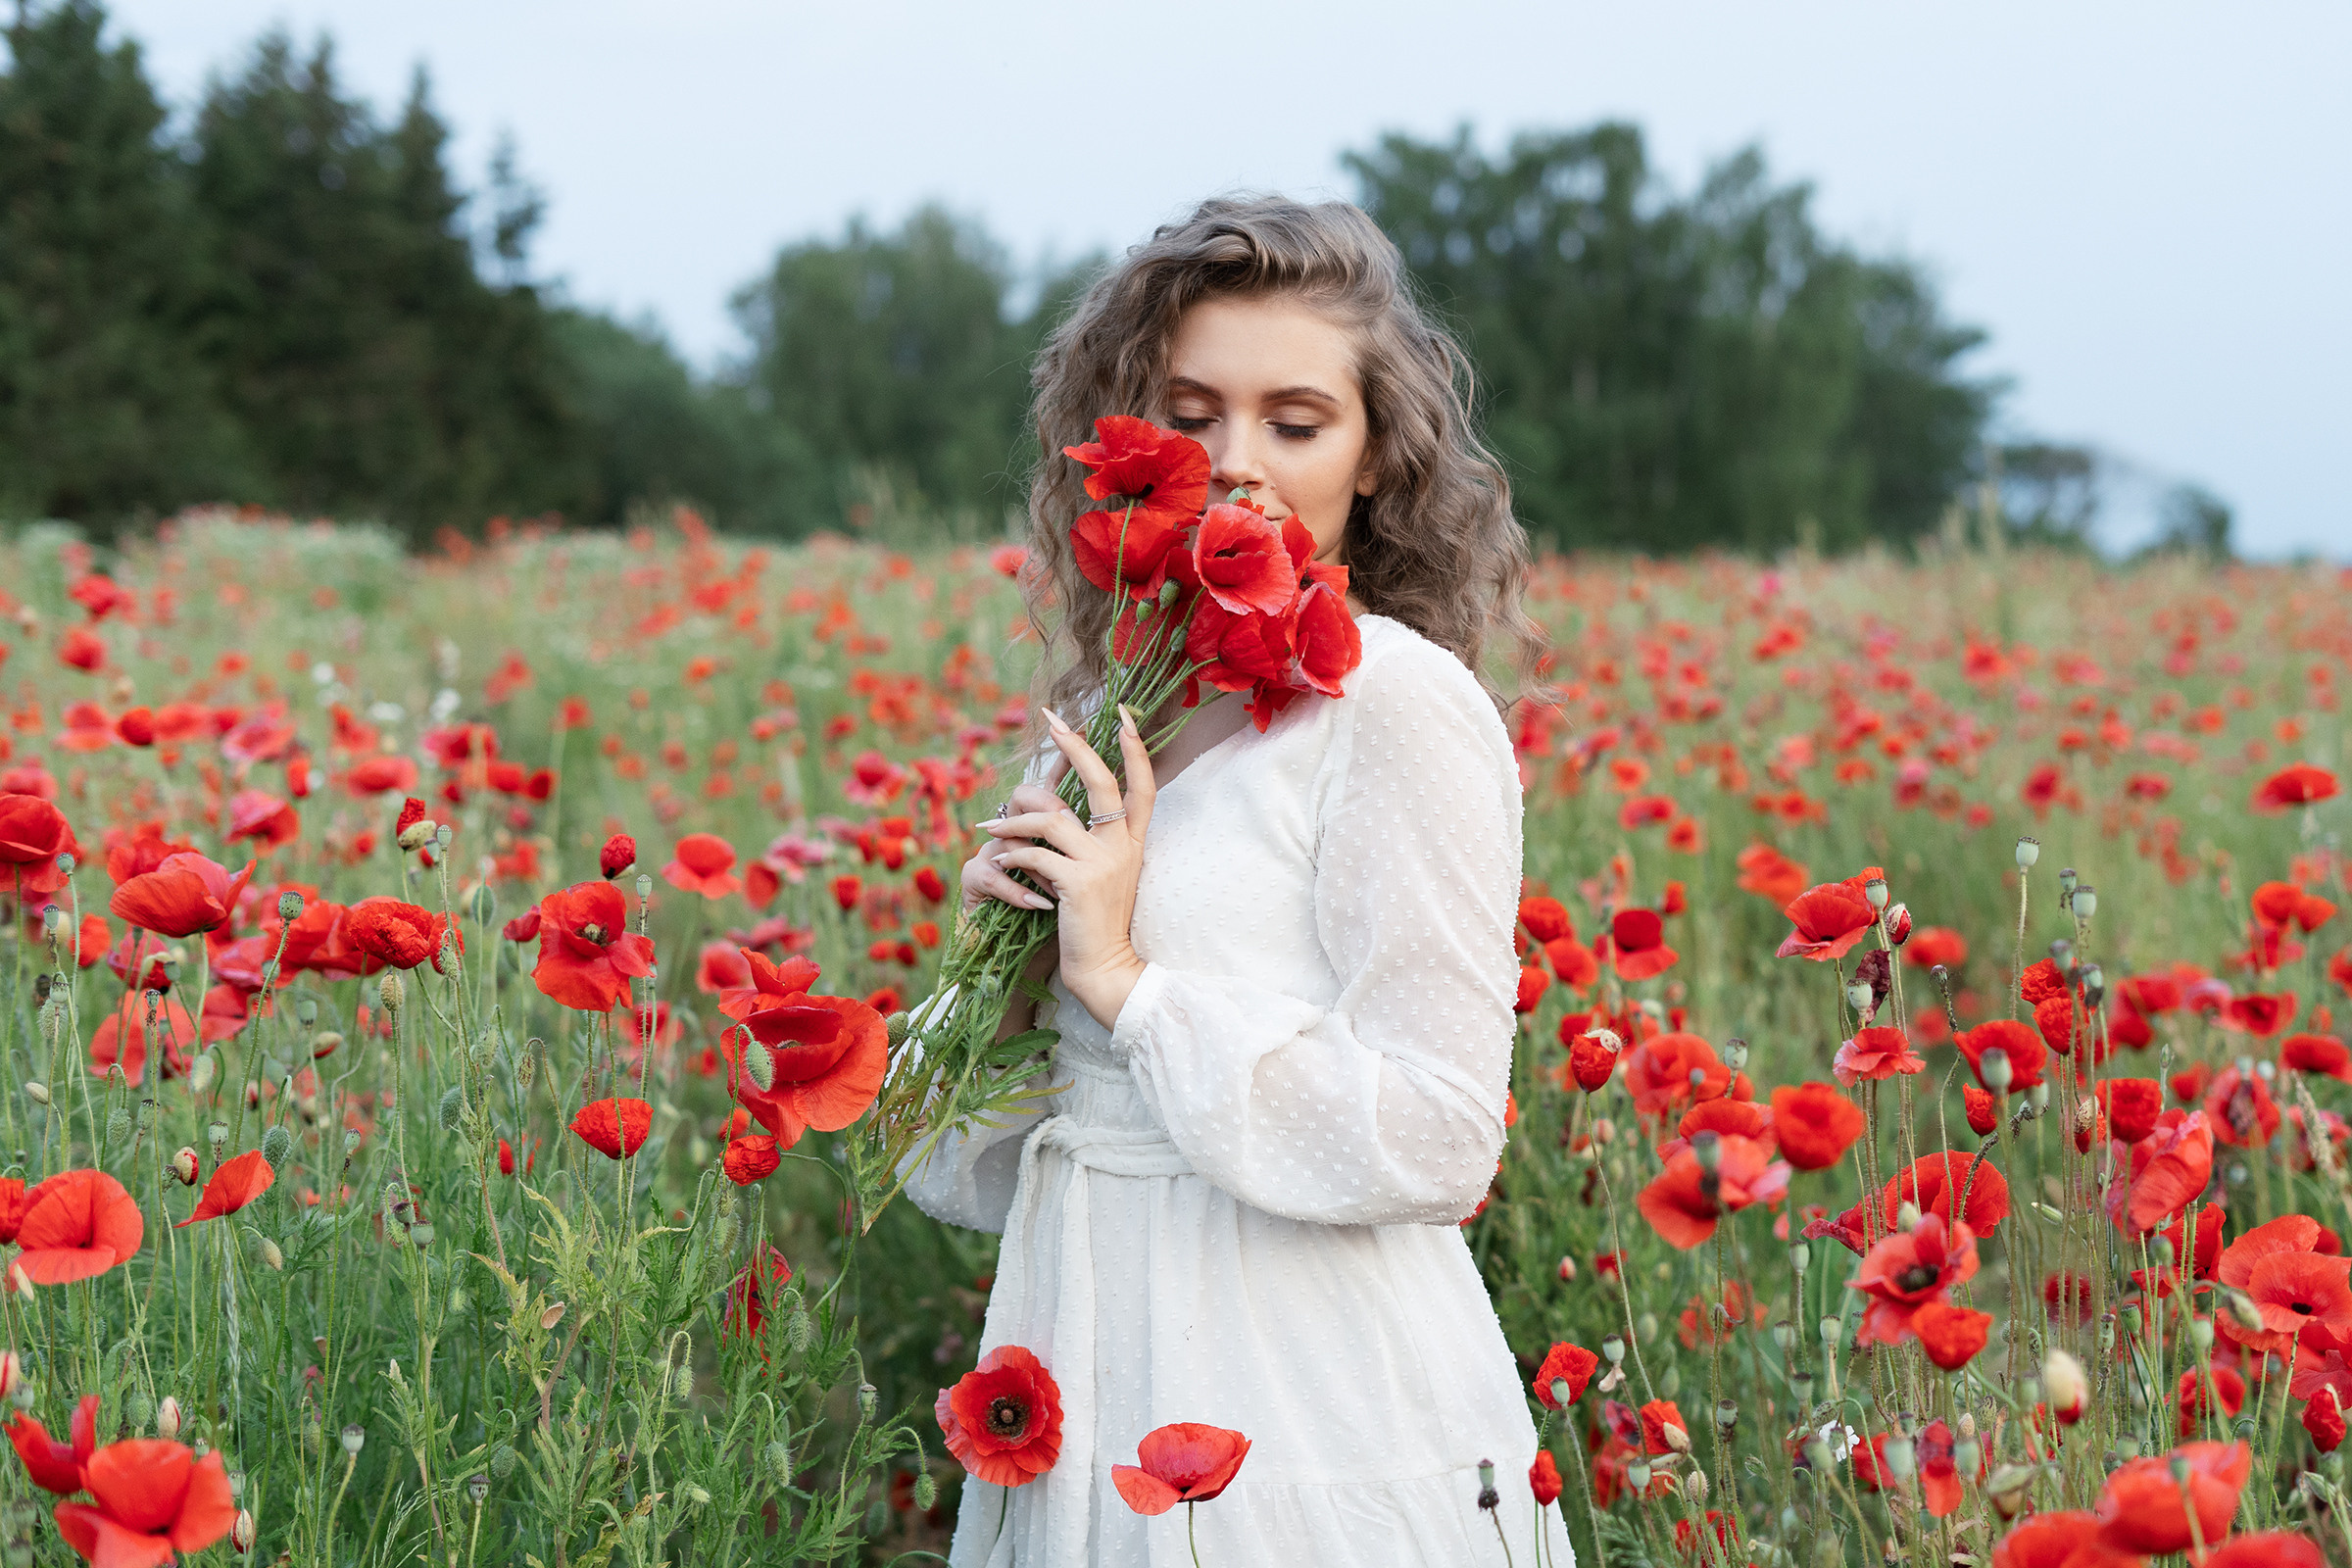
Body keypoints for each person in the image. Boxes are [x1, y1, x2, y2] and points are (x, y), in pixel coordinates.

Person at [906, 194, 1563, 1567]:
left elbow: (1447, 1135)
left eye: (1296, 421)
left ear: (1379, 458)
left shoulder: (1396, 703)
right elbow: (960, 1164)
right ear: (1128, 444)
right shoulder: (1116, 697)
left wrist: (1129, 986)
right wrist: (1005, 971)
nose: (1237, 463)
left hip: (1297, 1377)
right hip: (1088, 1326)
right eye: (1191, 414)